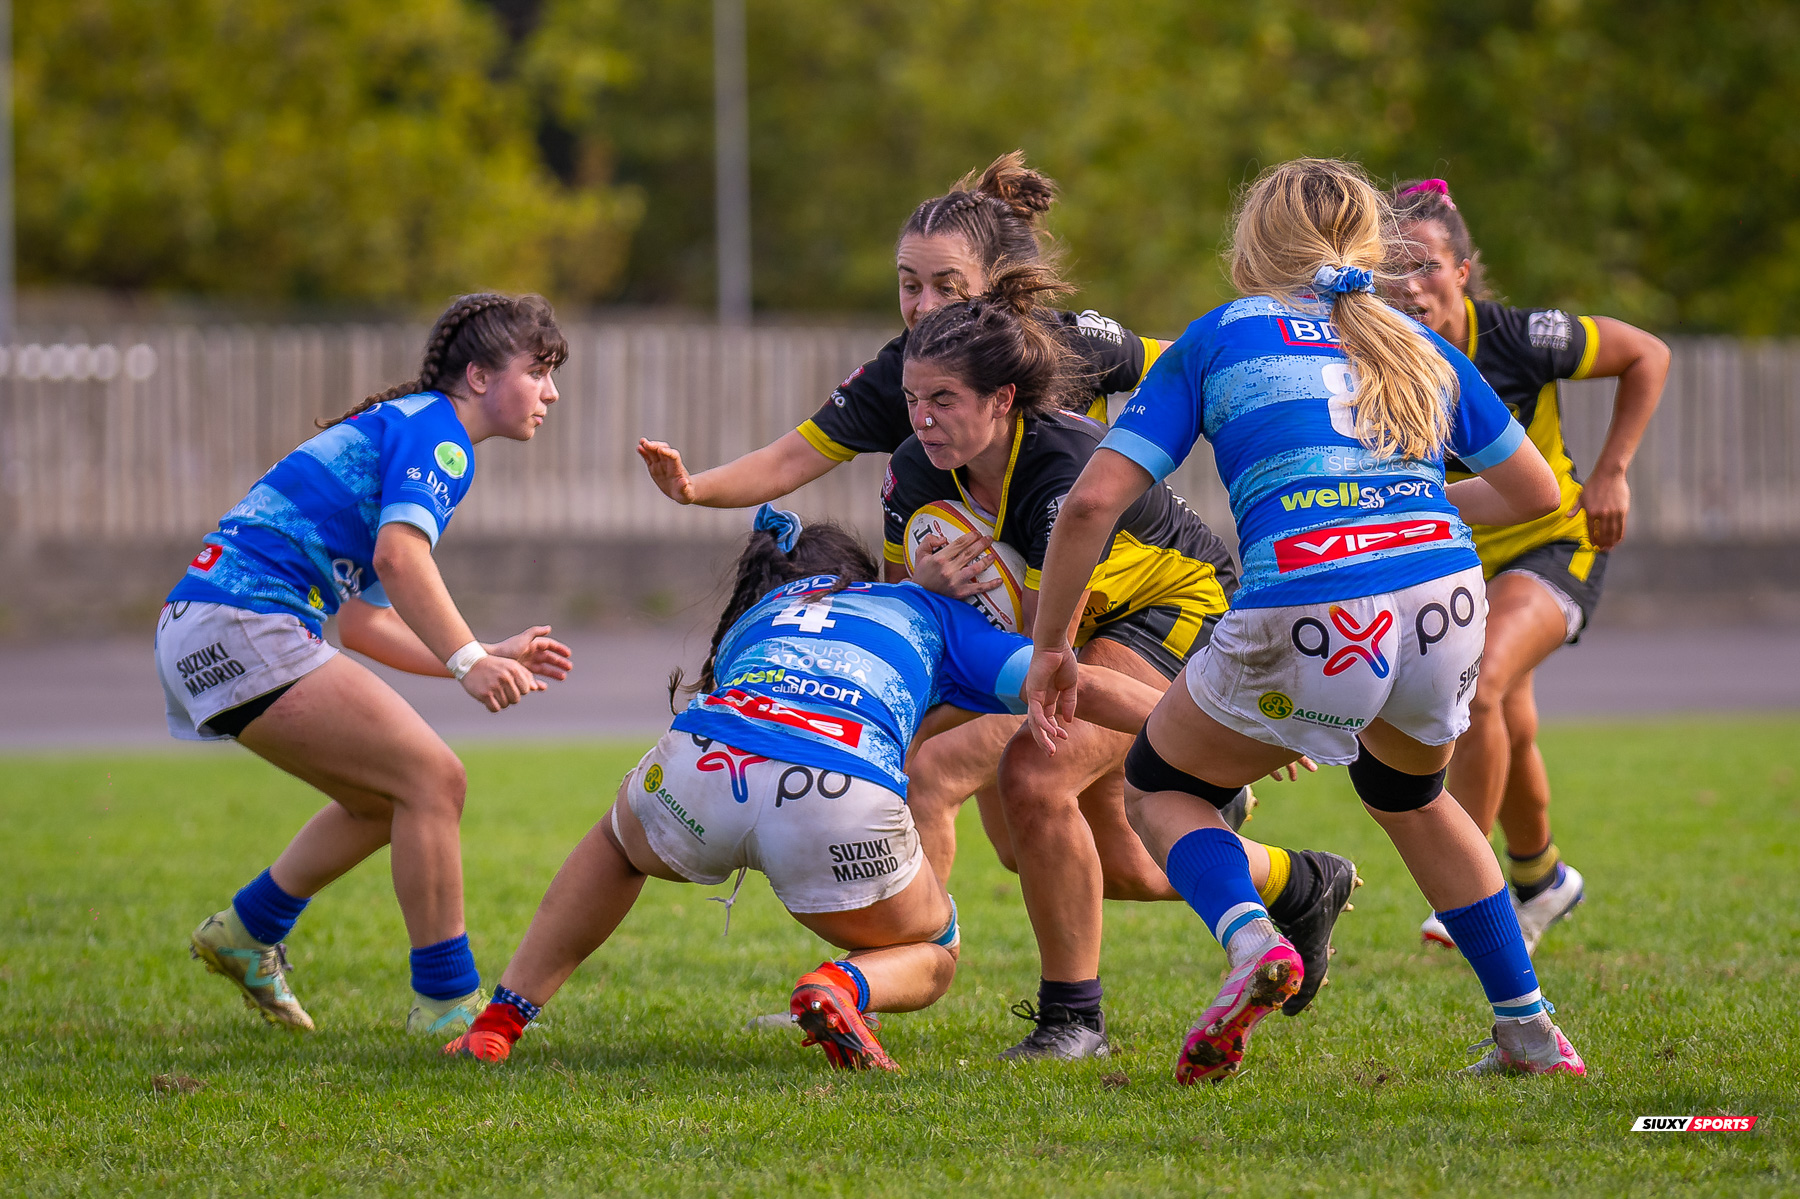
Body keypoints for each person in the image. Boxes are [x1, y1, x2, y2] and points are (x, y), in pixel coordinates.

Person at [1023, 158, 1587, 1083]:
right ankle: (1529, 1033)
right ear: (1370, 243)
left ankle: (1254, 943)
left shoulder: (1219, 339)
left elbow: (1089, 507)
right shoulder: (1414, 341)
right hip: (1446, 598)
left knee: (1160, 787)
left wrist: (1052, 648)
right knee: (1412, 797)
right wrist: (1404, 504)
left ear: (1253, 244)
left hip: (1314, 597)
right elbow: (1536, 492)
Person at [442, 508, 1170, 1071]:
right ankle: (841, 988)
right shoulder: (925, 611)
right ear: (862, 576)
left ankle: (499, 1021)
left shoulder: (750, 624)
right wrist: (1204, 730)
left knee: (615, 844)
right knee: (937, 944)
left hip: (703, 764)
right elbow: (1069, 683)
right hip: (836, 796)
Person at [883, 261, 1358, 1062]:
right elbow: (919, 622)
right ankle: (1297, 882)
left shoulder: (1060, 473)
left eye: (943, 401)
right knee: (1118, 861)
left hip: (1179, 608)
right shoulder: (914, 469)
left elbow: (1041, 656)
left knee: (1033, 774)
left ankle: (1072, 1020)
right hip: (1069, 636)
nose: (923, 420)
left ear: (1001, 400)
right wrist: (924, 586)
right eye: (912, 400)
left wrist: (1237, 727)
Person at [164, 294, 574, 1037]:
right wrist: (469, 658)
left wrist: (483, 650)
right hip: (245, 615)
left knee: (390, 799)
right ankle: (449, 1007)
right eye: (539, 371)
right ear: (479, 377)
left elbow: (363, 623)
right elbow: (399, 555)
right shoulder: (442, 437)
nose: (551, 392)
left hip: (204, 625)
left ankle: (247, 931)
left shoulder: (411, 426)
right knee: (435, 777)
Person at [1388, 179, 1668, 952]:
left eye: (1428, 266)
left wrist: (1612, 470)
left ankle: (1462, 885)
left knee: (1479, 695)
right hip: (1459, 563)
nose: (1410, 284)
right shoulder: (1379, 357)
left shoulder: (1518, 337)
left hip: (1557, 541)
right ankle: (1542, 880)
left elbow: (1648, 352)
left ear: (1464, 269)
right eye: (1393, 268)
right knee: (1508, 717)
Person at [635, 150, 1161, 511]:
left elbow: (1194, 365)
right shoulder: (897, 376)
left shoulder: (1070, 343)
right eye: (910, 285)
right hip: (985, 591)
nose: (925, 307)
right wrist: (692, 489)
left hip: (1099, 578)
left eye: (948, 287)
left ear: (998, 279)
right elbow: (787, 459)